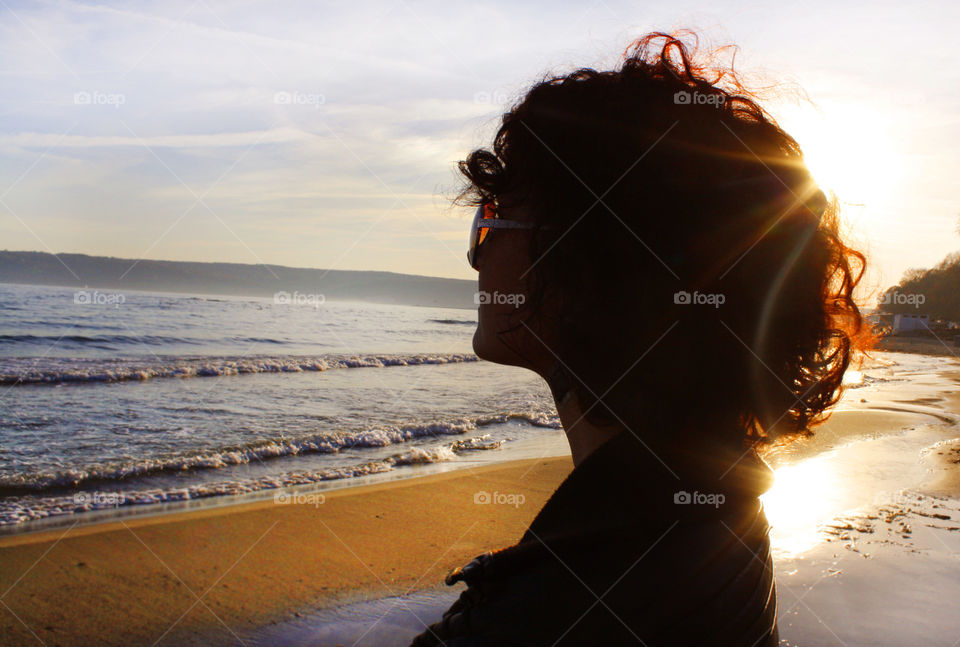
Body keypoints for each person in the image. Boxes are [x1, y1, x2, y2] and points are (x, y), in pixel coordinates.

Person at [410, 30, 870, 647]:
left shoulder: (557, 610)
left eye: (490, 220)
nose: (476, 257)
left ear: (587, 260)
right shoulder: (720, 506)